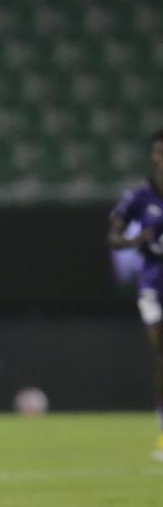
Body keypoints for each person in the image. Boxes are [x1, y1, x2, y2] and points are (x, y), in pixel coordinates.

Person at [106, 128, 163, 460]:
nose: (159, 158)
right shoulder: (139, 196)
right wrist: (135, 239)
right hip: (154, 282)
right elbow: (112, 238)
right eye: (156, 152)